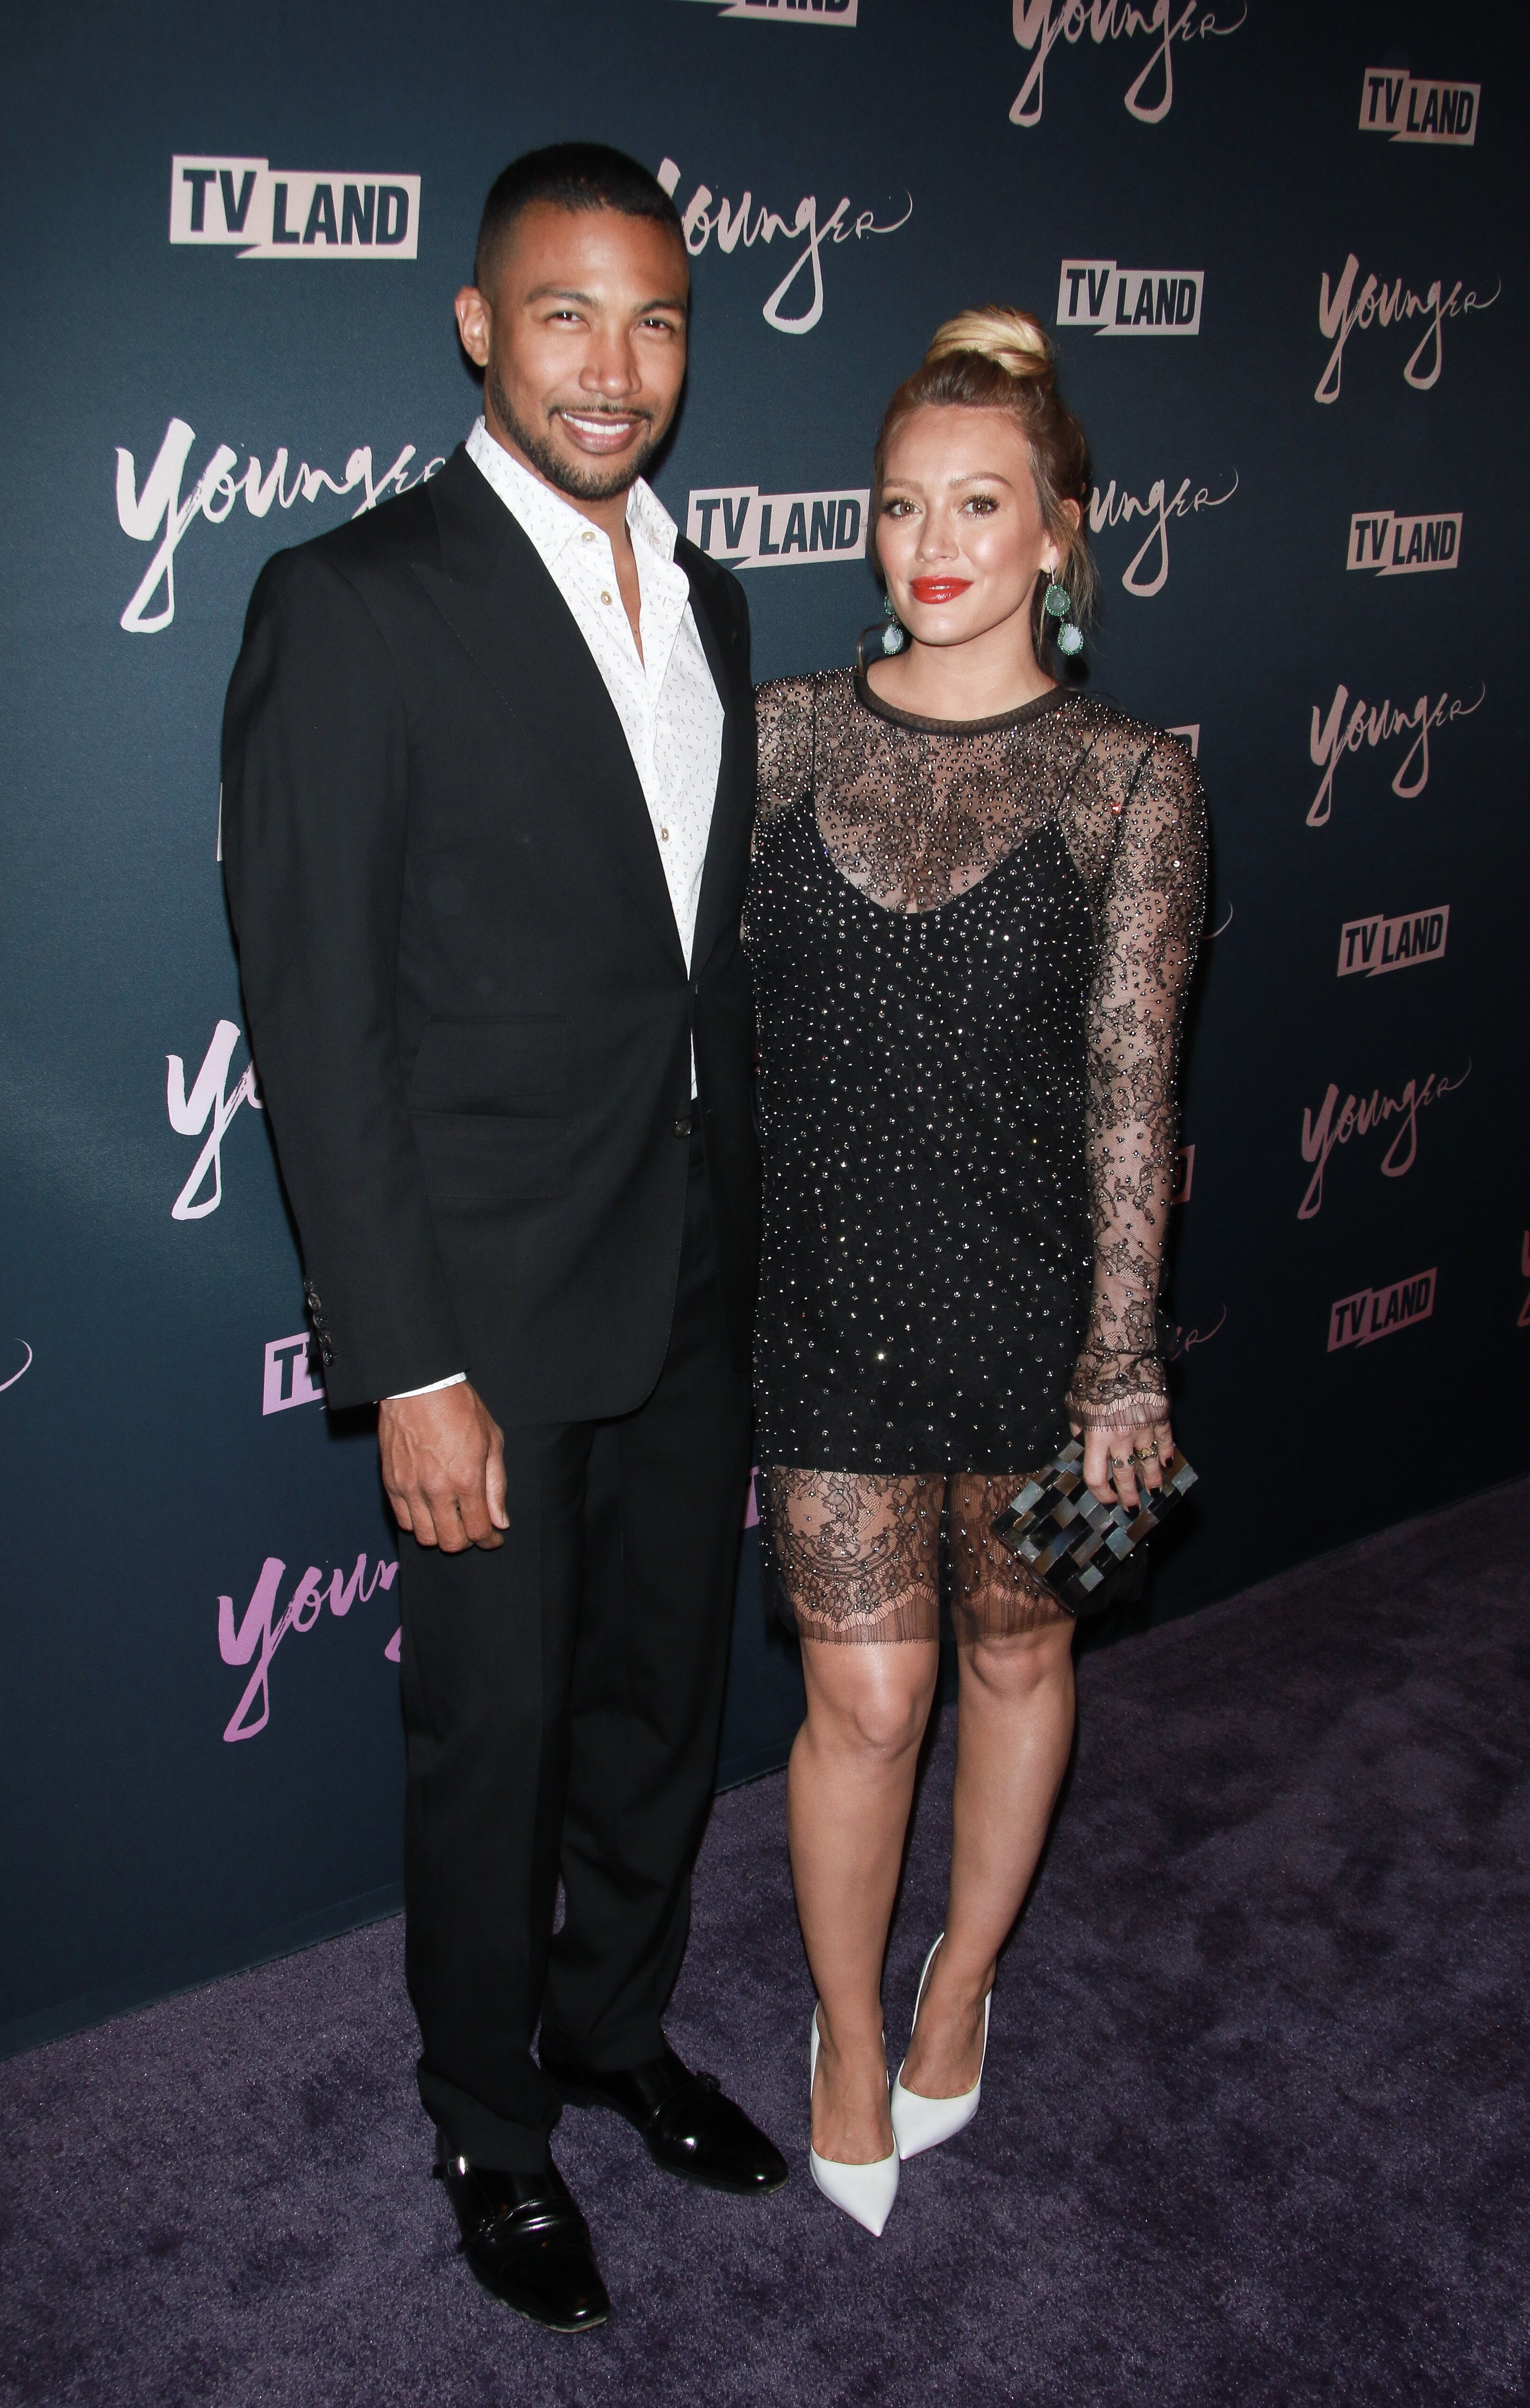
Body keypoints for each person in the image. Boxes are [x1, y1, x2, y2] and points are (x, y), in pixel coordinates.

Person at [221, 143, 785, 2336]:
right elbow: (317, 1017)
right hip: (485, 1306)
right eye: (565, 314)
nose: (613, 365)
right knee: (498, 1734)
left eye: (654, 320)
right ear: (478, 324)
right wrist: (407, 1355)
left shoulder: (715, 599)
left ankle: (612, 2024)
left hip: (692, 1263)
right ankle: (489, 2116)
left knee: (658, 1704)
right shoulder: (350, 600)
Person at [743, 307, 1207, 2234]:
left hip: (1047, 1330)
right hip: (823, 1316)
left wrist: (1122, 1371)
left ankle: (958, 1984)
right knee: (864, 1704)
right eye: (900, 503)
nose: (932, 544)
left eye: (980, 503)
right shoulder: (778, 737)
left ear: (1058, 530)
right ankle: (850, 2031)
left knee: (1024, 1655)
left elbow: (1134, 1098)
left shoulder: (1130, 782)